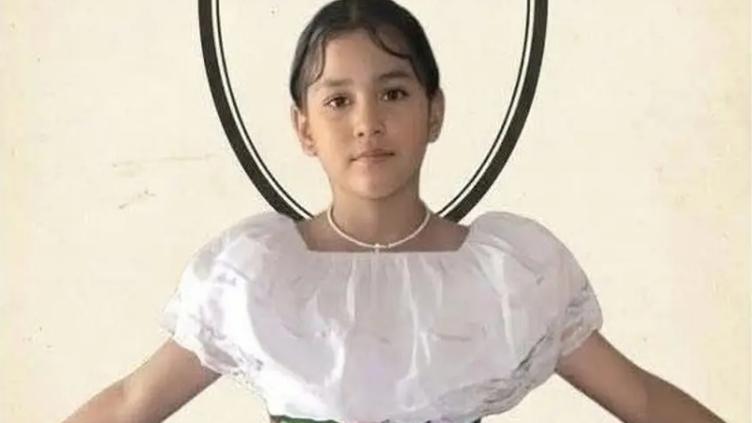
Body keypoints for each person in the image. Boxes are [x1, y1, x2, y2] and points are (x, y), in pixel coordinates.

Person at [61, 1, 725, 422]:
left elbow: (639, 398)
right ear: (303, 127)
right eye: (338, 101)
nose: (368, 123)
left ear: (434, 111)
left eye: (394, 92)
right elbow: (130, 403)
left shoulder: (506, 277)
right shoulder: (257, 277)